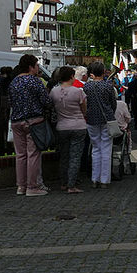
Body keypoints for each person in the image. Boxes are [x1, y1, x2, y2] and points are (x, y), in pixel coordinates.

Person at [8, 54, 51, 196]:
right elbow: (46, 101)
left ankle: (21, 186)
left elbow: (10, 101)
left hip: (16, 121)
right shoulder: (35, 81)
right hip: (33, 121)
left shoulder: (14, 82)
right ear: (31, 66)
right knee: (33, 154)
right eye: (37, 65)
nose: (38, 68)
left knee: (20, 155)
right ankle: (33, 187)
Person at [50, 66, 87, 194]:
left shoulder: (54, 91)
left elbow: (52, 107)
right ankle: (72, 185)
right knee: (75, 156)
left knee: (64, 156)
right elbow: (84, 109)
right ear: (71, 76)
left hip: (62, 126)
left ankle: (64, 183)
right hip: (78, 126)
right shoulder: (78, 92)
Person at [84, 60, 118, 189]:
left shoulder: (86, 87)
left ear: (91, 73)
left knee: (95, 149)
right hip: (106, 119)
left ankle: (95, 178)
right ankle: (105, 179)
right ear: (103, 72)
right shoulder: (108, 86)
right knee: (106, 149)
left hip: (92, 119)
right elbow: (113, 104)